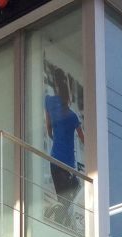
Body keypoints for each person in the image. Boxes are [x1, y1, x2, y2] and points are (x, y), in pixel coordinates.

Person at [44, 67, 85, 221]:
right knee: (70, 197)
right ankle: (56, 216)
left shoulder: (49, 102)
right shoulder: (72, 116)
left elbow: (49, 128)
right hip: (68, 163)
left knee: (64, 199)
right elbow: (83, 139)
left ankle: (57, 217)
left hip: (55, 159)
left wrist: (55, 137)